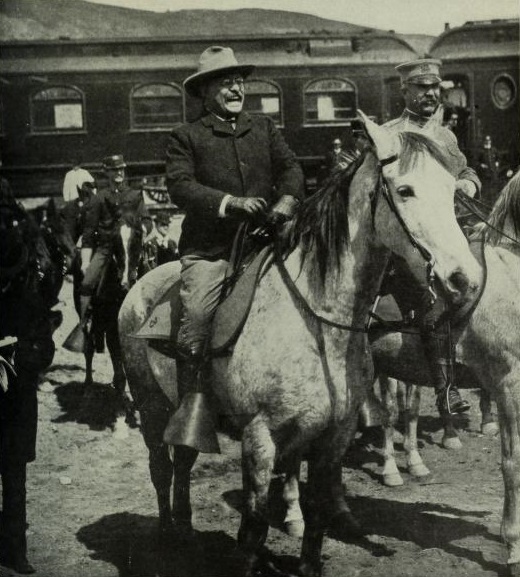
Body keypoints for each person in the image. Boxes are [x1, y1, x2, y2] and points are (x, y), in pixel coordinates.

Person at [163, 45, 305, 453]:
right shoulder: (187, 136)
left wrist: (287, 201)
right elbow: (180, 186)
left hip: (268, 242)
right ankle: (197, 410)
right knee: (196, 320)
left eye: (240, 81)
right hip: (213, 251)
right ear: (206, 91)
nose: (236, 87)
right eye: (226, 82)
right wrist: (230, 204)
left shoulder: (262, 127)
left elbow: (291, 168)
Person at [382, 58, 481, 417]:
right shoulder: (391, 134)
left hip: (449, 231)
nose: (430, 94)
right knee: (432, 299)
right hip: (412, 239)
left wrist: (468, 182)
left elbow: (465, 168)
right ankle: (446, 388)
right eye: (421, 88)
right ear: (404, 91)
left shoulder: (445, 134)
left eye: (434, 88)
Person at [0, 178, 55, 574]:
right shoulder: (29, 248)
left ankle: (15, 549)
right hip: (17, 369)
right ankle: (14, 549)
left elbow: (41, 330)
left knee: (14, 467)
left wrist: (25, 355)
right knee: (14, 469)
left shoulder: (28, 257)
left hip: (16, 369)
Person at [78, 154, 150, 330]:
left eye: (121, 169)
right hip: (106, 248)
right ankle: (84, 324)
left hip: (131, 246)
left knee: (153, 277)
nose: (119, 172)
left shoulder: (135, 195)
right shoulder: (99, 198)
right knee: (87, 282)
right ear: (107, 172)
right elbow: (88, 232)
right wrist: (86, 261)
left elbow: (147, 220)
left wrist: (142, 230)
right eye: (115, 170)